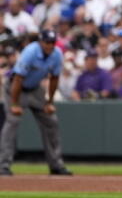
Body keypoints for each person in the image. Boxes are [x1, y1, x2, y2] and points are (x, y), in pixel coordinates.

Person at [0, 31, 72, 176]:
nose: (50, 45)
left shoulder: (57, 54)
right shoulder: (31, 51)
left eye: (52, 42)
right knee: (12, 122)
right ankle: (3, 165)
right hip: (15, 88)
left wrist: (50, 102)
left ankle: (56, 165)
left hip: (35, 89)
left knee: (51, 121)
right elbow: (18, 79)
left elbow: (54, 78)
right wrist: (15, 104)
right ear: (41, 42)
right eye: (47, 42)